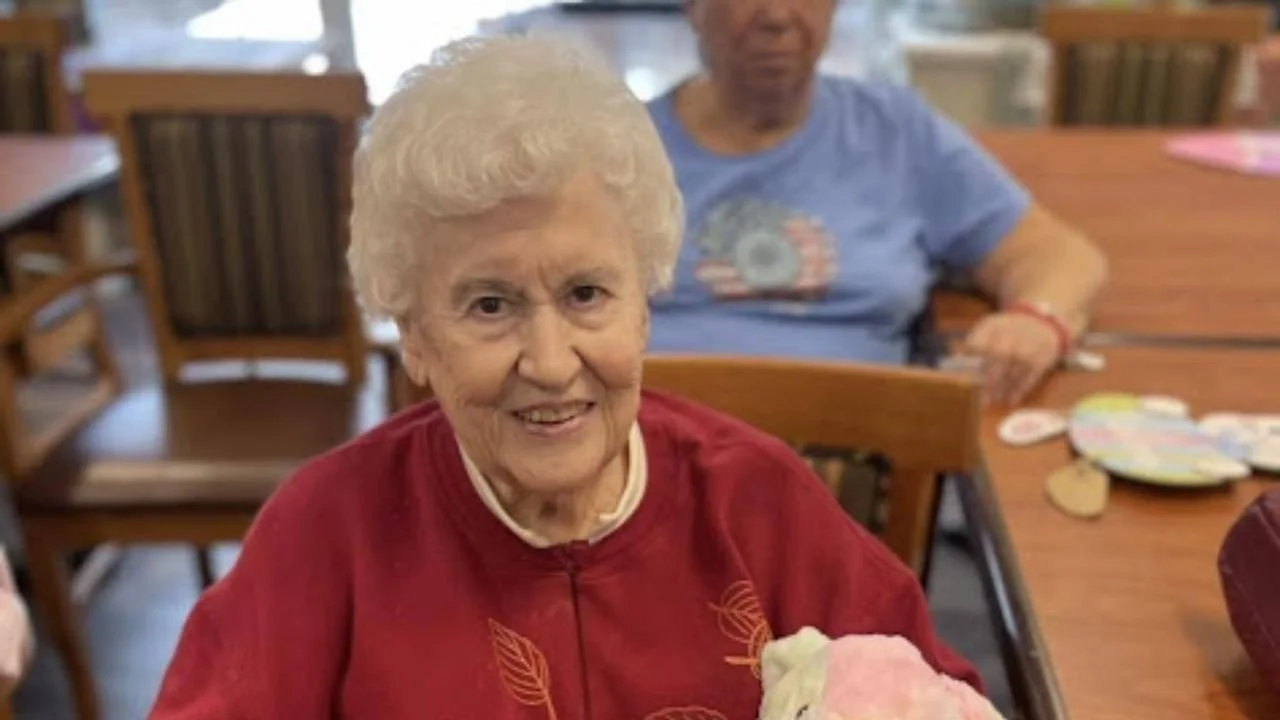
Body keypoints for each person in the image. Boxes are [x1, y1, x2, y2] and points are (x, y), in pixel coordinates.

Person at [149, 36, 982, 719]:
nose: (550, 364)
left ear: (644, 303)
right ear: (413, 334)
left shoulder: (758, 502)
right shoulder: (329, 533)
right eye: (487, 306)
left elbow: (937, 698)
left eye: (586, 294)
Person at [647, 0, 1108, 406]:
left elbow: (1055, 252)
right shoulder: (622, 147)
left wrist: (1037, 320)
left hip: (845, 467)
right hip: (649, 461)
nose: (778, 16)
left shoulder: (897, 132)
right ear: (692, 6)